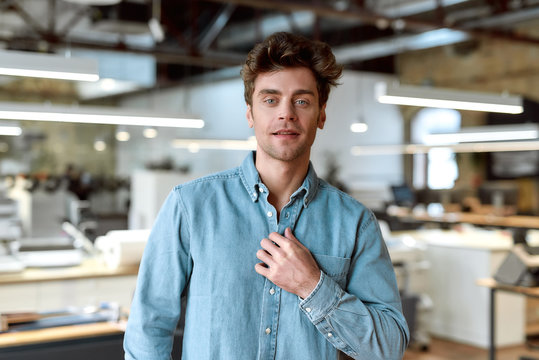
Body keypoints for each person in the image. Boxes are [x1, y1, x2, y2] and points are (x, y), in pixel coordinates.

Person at [124, 32, 409, 360]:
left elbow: (389, 347)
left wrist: (312, 285)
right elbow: (148, 326)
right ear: (250, 114)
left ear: (322, 114)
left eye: (301, 101)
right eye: (270, 100)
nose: (286, 114)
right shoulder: (190, 206)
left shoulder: (355, 223)